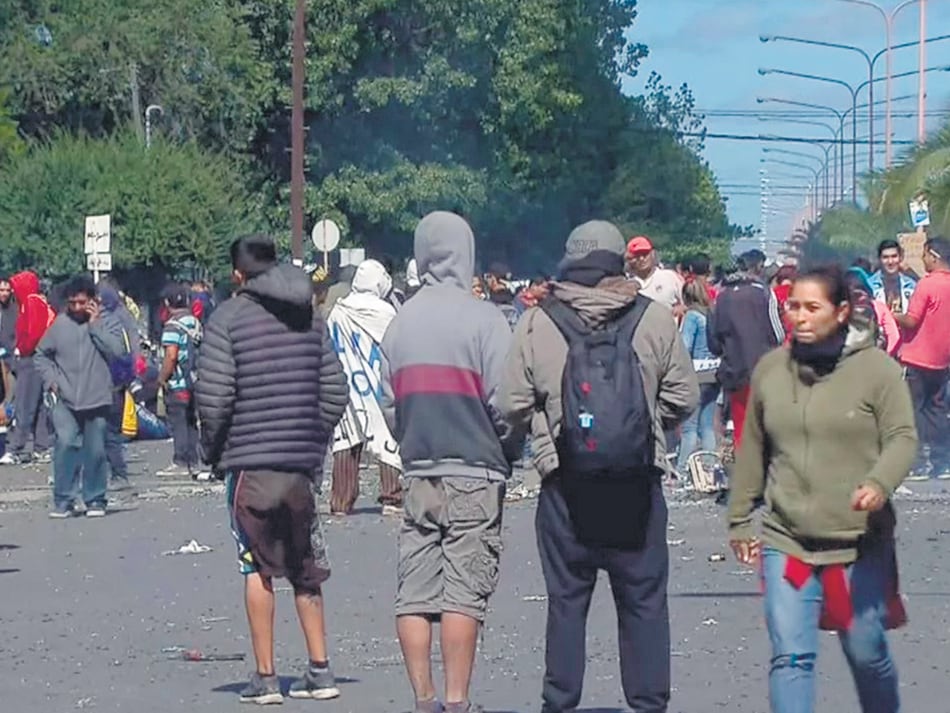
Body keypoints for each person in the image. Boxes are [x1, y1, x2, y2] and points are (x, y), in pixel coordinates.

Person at [499, 220, 698, 713]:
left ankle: (560, 700)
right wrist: (642, 427)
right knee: (644, 601)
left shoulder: (538, 321)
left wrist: (549, 433)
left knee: (567, 602)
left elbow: (511, 404)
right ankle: (649, 702)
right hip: (637, 484)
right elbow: (684, 397)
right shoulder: (654, 319)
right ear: (619, 262)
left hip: (564, 486)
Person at [728, 265, 916, 713]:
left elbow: (902, 437)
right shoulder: (772, 370)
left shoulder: (876, 370)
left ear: (842, 311)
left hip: (859, 542)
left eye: (812, 307)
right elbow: (753, 448)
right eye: (793, 306)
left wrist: (879, 482)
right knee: (791, 657)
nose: (800, 316)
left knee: (865, 650)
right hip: (787, 541)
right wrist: (739, 518)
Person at [196, 234, 348, 704]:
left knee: (256, 566)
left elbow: (215, 400)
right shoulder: (310, 315)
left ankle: (265, 678)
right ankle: (320, 671)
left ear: (237, 273)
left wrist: (213, 451)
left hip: (250, 464)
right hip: (299, 466)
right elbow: (335, 392)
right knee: (304, 565)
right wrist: (311, 440)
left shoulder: (227, 319)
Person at [380, 211, 514, 713]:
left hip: (419, 470)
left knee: (415, 590)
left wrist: (412, 440)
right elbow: (505, 403)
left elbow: (389, 405)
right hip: (476, 470)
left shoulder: (399, 324)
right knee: (463, 590)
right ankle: (457, 702)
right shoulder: (486, 320)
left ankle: (424, 699)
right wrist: (507, 447)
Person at [35, 276, 127, 518]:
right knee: (66, 444)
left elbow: (118, 351)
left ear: (93, 300)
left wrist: (95, 326)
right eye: (72, 303)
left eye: (81, 303)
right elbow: (41, 355)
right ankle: (64, 500)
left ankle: (95, 498)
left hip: (97, 396)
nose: (76, 308)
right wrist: (51, 380)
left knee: (95, 450)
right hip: (65, 397)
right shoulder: (60, 324)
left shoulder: (108, 321)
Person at [327, 259, 403, 516]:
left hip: (346, 383)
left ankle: (341, 500)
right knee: (386, 438)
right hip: (376, 385)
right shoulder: (385, 312)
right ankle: (391, 496)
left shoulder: (338, 311)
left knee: (346, 440)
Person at [706, 250, 784, 450]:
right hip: (764, 370)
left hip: (734, 371)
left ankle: (745, 465)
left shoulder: (721, 296)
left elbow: (714, 342)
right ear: (757, 267)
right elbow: (778, 334)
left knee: (741, 427)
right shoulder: (765, 293)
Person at [893, 236, 950, 479]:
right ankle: (941, 462)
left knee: (911, 411)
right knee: (937, 410)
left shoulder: (926, 285)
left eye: (924, 255)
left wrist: (894, 315)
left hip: (917, 358)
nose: (923, 259)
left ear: (934, 257)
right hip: (942, 360)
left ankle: (916, 464)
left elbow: (912, 320)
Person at [0, 271, 56, 465]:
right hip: (35, 359)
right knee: (37, 405)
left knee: (24, 404)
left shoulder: (31, 303)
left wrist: (20, 349)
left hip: (29, 359)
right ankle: (41, 446)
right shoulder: (34, 302)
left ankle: (15, 447)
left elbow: (31, 333)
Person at [157, 283, 203, 478]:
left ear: (168, 303)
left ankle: (180, 461)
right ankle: (194, 460)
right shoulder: (194, 322)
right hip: (195, 380)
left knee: (178, 421)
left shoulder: (172, 326)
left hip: (177, 382)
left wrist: (162, 378)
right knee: (191, 421)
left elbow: (171, 355)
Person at [98, 284, 140, 488]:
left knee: (108, 432)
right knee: (107, 433)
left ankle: (117, 474)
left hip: (110, 383)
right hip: (118, 381)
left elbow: (116, 349)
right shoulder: (122, 317)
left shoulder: (107, 321)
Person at [676, 280, 720, 474]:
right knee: (707, 426)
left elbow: (685, 346)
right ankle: (710, 469)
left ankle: (682, 470)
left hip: (695, 374)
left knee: (689, 428)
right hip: (714, 374)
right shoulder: (712, 314)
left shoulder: (692, 316)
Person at [845, 267, 901, 357]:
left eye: (859, 293)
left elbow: (893, 336)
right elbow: (894, 337)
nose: (858, 298)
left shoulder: (879, 308)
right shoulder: (879, 307)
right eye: (853, 295)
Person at [625, 236, 684, 313]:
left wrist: (682, 308)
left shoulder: (670, 277)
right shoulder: (626, 285)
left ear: (652, 254)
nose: (641, 259)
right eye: (637, 256)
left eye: (645, 254)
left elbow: (689, 304)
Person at [868, 239, 917, 316]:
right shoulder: (869, 286)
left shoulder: (911, 285)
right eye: (885, 257)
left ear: (900, 258)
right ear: (879, 259)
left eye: (894, 256)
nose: (890, 262)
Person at [486, 262, 520, 329]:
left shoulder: (516, 306)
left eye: (489, 276)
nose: (489, 280)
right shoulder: (484, 304)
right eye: (488, 276)